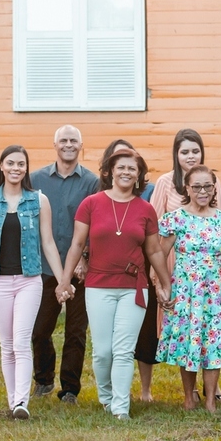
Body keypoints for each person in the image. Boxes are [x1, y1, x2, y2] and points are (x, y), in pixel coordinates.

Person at [55, 148, 172, 420]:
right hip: (98, 286)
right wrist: (64, 280)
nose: (126, 172)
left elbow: (154, 251)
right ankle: (106, 397)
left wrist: (164, 283)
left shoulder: (145, 209)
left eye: (132, 168)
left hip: (134, 287)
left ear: (139, 175)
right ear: (109, 171)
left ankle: (120, 408)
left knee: (123, 349)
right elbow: (76, 244)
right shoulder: (91, 204)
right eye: (121, 167)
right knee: (103, 351)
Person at [0, 146, 65, 419]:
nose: (15, 168)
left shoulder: (38, 200)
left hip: (29, 280)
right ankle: (13, 403)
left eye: (21, 164)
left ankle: (22, 402)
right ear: (1, 166)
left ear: (26, 168)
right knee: (6, 343)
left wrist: (61, 281)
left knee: (22, 341)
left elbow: (48, 242)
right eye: (10, 163)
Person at [157, 165, 221, 412]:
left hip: (214, 292)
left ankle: (211, 399)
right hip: (185, 290)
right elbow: (159, 255)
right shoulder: (176, 219)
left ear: (214, 189)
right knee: (187, 340)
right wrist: (161, 284)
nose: (203, 191)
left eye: (208, 186)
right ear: (187, 189)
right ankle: (189, 397)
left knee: (212, 342)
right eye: (197, 186)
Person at [140, 129, 221, 402]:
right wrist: (157, 276)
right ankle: (187, 392)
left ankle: (213, 388)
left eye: (195, 151)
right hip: (176, 269)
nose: (190, 156)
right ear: (176, 155)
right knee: (184, 329)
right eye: (184, 151)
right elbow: (153, 228)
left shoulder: (214, 182)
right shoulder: (165, 183)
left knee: (209, 327)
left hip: (210, 271)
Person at [30, 125, 100, 404]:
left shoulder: (92, 182)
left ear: (81, 146)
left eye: (73, 141)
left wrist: (85, 258)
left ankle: (69, 388)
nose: (68, 145)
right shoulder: (35, 179)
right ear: (54, 145)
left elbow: (96, 224)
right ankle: (43, 380)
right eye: (63, 140)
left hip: (81, 271)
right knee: (39, 329)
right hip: (45, 268)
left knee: (75, 331)